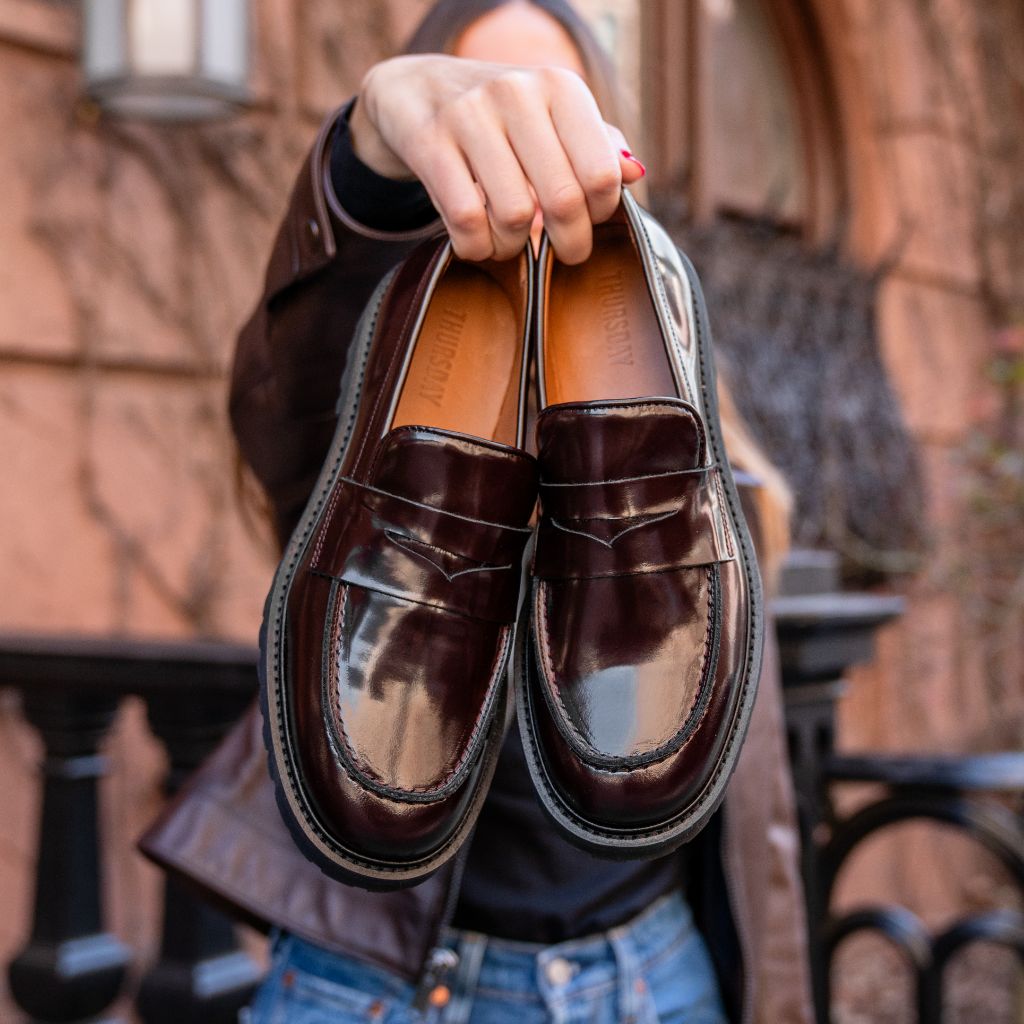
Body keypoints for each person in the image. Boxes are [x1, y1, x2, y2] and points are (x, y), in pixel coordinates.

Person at [141, 2, 815, 1021]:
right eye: (478, 106)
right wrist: (372, 144)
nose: (517, 139)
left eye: (553, 113)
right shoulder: (360, 368)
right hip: (388, 983)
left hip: (663, 967)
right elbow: (283, 392)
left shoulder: (695, 411)